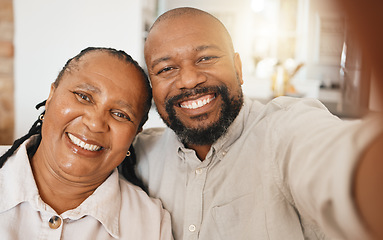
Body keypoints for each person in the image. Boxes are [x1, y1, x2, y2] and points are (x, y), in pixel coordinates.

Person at [133, 7, 383, 240]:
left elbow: (341, 167)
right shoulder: (139, 156)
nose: (188, 80)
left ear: (238, 69)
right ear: (152, 86)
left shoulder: (286, 131)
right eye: (166, 69)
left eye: (206, 58)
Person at [0, 47, 173, 239]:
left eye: (120, 114)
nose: (94, 123)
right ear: (51, 96)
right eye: (83, 97)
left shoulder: (151, 224)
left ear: (134, 134)